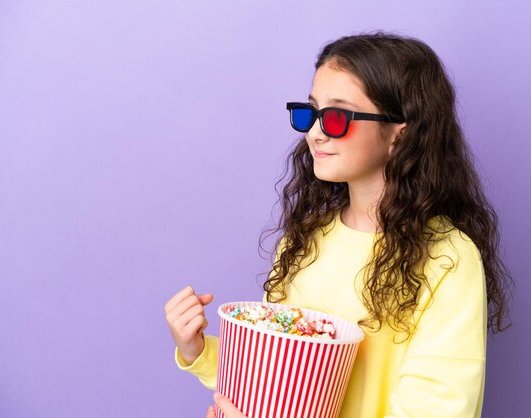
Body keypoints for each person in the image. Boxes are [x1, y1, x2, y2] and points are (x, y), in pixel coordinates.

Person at [164, 32, 511, 418]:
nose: (315, 132)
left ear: (400, 135)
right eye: (311, 112)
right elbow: (272, 377)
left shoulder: (447, 259)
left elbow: (436, 409)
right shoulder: (305, 242)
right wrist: (198, 350)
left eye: (336, 116)